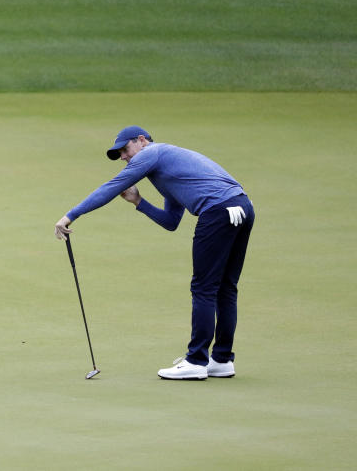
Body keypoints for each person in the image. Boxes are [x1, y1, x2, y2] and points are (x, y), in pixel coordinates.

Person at [54, 126, 254, 380]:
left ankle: (196, 361)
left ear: (141, 141)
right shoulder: (167, 173)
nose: (125, 157)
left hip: (217, 211)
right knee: (225, 288)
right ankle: (222, 359)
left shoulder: (153, 152)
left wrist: (70, 215)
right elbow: (171, 221)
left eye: (125, 150)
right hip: (242, 207)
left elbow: (112, 186)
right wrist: (139, 202)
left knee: (204, 288)